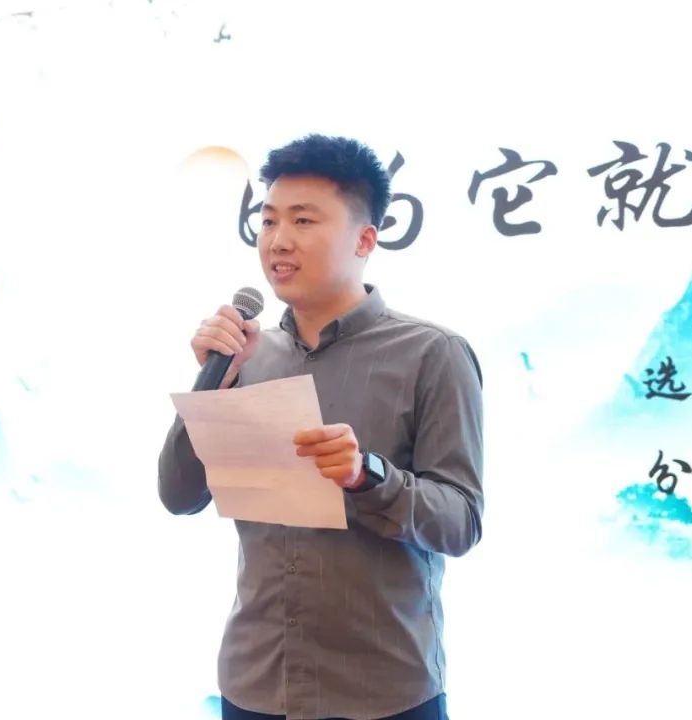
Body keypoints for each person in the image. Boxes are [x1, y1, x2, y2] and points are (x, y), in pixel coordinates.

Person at [158, 134, 484, 720]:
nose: (278, 240)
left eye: (304, 220)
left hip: (381, 690)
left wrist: (368, 476)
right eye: (268, 221)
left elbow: (461, 521)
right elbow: (178, 496)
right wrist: (213, 384)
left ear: (365, 239)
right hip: (257, 683)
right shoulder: (247, 355)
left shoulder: (433, 354)